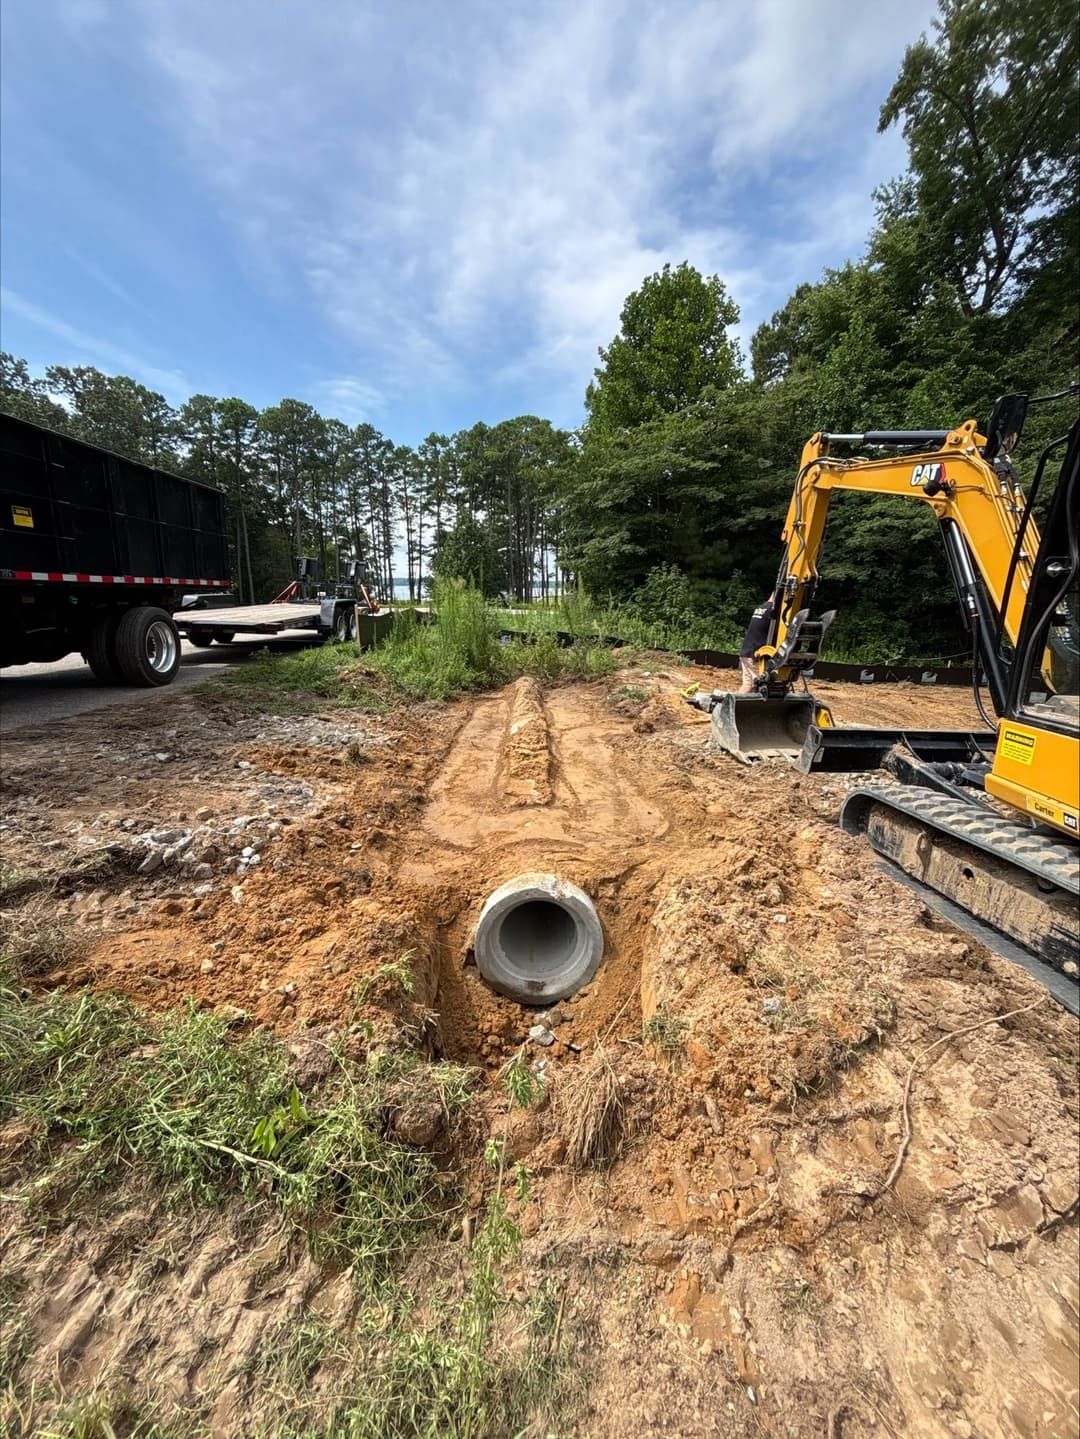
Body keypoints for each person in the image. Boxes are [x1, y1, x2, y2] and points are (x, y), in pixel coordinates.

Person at [738, 592, 776, 694]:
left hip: (746, 652)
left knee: (747, 686)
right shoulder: (773, 612)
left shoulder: (761, 608)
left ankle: (734, 705)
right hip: (755, 655)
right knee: (759, 687)